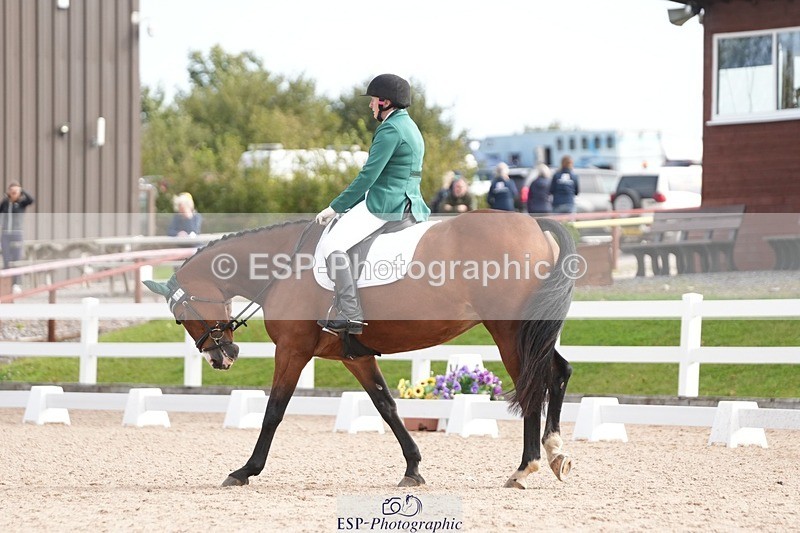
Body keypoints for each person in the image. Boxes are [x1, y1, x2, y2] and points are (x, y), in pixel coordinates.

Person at [315, 73, 428, 336]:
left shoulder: (390, 129)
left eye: (373, 100)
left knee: (331, 245)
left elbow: (368, 176)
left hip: (386, 203)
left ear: (385, 102)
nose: (370, 105)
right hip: (410, 201)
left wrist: (336, 206)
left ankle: (350, 313)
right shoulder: (409, 125)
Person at [1, 182, 35, 293]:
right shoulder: (5, 203)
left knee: (16, 259)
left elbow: (31, 200)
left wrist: (22, 190)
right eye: (12, 191)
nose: (14, 193)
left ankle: (16, 283)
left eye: (16, 191)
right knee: (6, 259)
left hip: (17, 234)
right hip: (5, 234)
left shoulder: (21, 203)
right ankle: (6, 284)